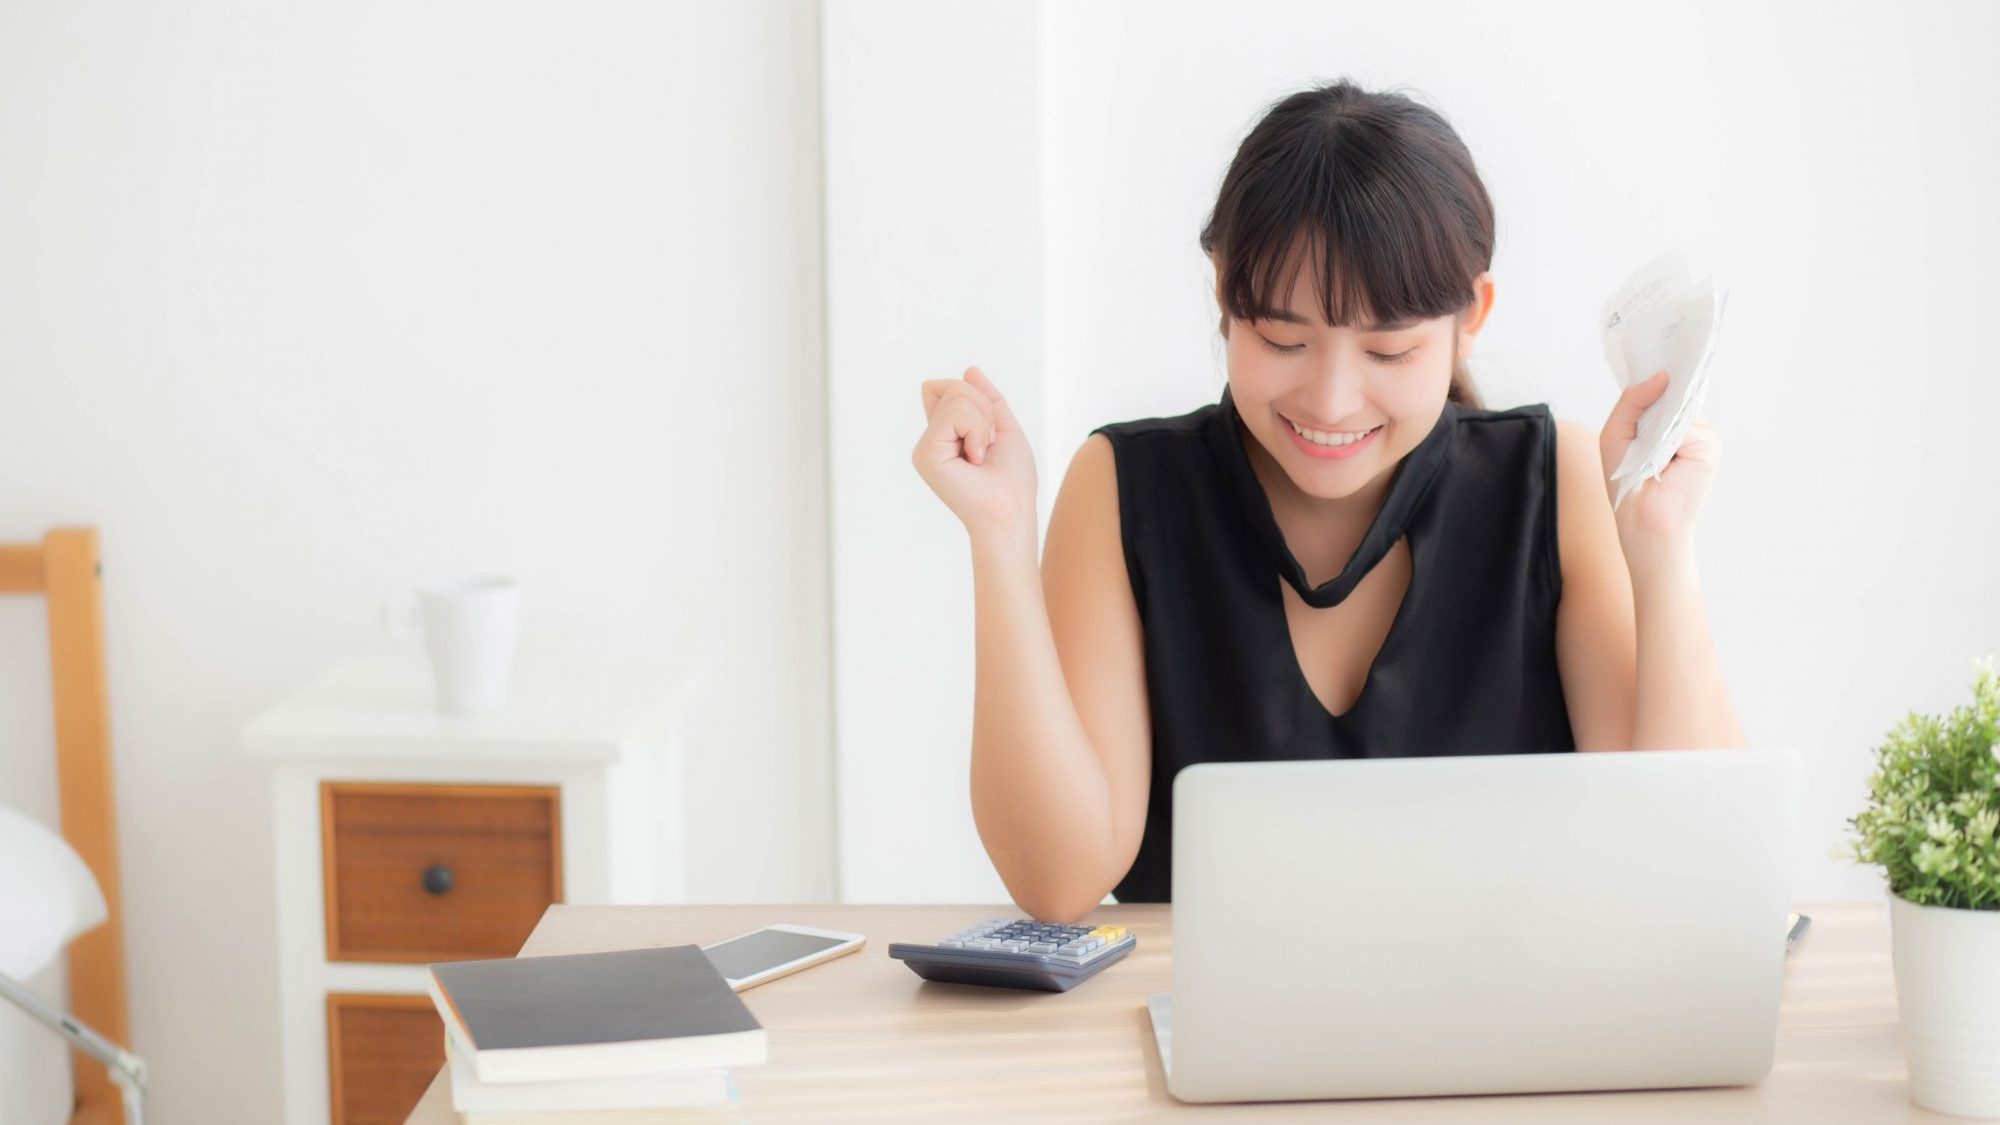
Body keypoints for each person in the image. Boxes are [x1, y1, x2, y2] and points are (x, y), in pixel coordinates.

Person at [910, 79, 1745, 922]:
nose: (1333, 401)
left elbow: (1689, 864)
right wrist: (1001, 535)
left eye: (1388, 351)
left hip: (1503, 1041)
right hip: (1213, 1044)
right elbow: (1058, 880)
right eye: (1282, 339)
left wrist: (1662, 547)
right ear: (1223, 290)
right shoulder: (1126, 486)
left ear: (1471, 315)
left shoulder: (1552, 478)